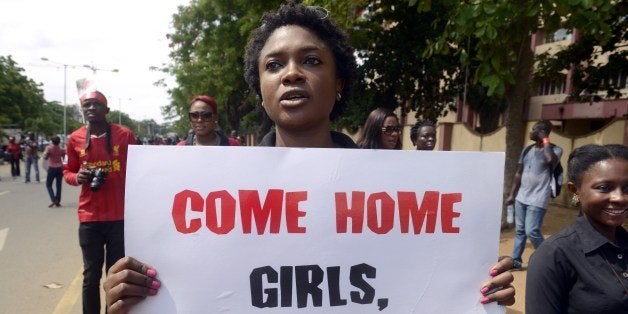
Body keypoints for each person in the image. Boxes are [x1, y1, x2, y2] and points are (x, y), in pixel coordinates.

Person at [103, 2, 515, 312]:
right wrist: (132, 300)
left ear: (339, 84)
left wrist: (476, 286)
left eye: (311, 60)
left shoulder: (396, 187)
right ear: (261, 91)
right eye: (274, 65)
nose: (292, 73)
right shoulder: (208, 188)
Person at [526, 144, 628, 313]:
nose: (620, 198)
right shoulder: (553, 255)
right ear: (575, 191)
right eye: (604, 188)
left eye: (627, 187)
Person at [63, 90, 136, 314]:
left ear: (107, 110)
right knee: (91, 275)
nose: (91, 108)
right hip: (89, 218)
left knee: (115, 274)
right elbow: (67, 171)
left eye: (96, 104)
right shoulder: (74, 138)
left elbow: (140, 167)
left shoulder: (124, 135)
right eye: (86, 105)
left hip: (119, 217)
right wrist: (78, 178)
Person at [506, 120, 563, 269]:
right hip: (521, 197)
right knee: (519, 231)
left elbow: (550, 160)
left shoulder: (555, 150)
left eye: (534, 130)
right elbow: (518, 173)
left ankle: (550, 258)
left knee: (531, 230)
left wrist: (545, 140)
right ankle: (516, 261)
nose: (531, 132)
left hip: (538, 198)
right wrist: (512, 194)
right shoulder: (526, 150)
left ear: (543, 132)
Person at [43, 135, 65, 207]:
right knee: (59, 185)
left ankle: (54, 199)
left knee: (48, 185)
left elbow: (45, 158)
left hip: (52, 168)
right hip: (60, 168)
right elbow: (64, 158)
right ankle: (58, 201)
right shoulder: (61, 149)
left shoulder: (49, 148)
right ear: (59, 142)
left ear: (52, 142)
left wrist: (46, 155)